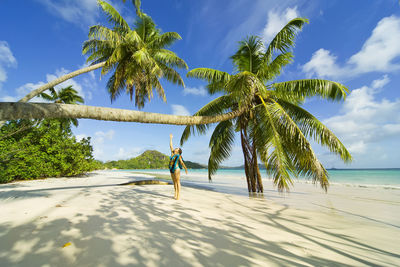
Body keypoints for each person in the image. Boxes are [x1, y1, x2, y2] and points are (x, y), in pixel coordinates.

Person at [169, 134, 187, 200]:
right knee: (174, 182)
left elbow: (182, 162)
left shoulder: (178, 155)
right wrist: (171, 138)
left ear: (178, 151)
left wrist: (185, 168)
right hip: (171, 169)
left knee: (177, 182)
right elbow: (171, 146)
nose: (176, 148)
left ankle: (178, 195)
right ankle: (175, 193)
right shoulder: (172, 153)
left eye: (177, 148)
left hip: (177, 169)